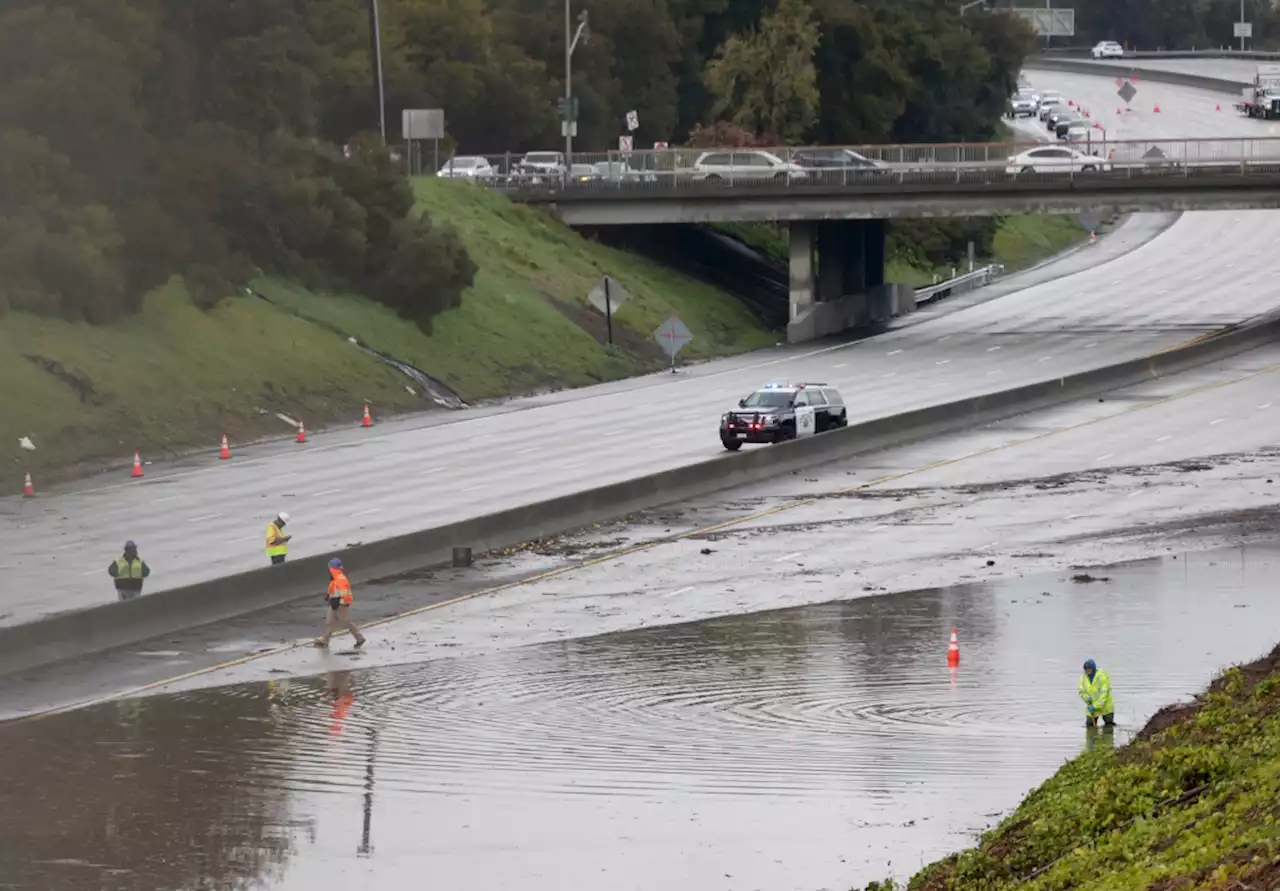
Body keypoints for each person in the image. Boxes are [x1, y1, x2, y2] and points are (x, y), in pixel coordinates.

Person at [318, 558, 366, 649]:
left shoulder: (340, 579)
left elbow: (345, 593)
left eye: (330, 567)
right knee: (330, 621)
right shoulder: (336, 578)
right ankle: (324, 640)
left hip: (340, 605)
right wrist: (328, 596)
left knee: (346, 622)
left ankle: (359, 638)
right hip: (334, 603)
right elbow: (333, 589)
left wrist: (341, 603)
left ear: (333, 568)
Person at [1079, 658, 1115, 728]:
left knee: (1109, 727)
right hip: (1091, 706)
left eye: (1089, 669)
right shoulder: (1083, 678)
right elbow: (1081, 692)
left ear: (1094, 669)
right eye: (1086, 669)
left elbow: (1103, 696)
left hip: (1105, 707)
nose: (1088, 671)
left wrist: (1094, 706)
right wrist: (1086, 698)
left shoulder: (1102, 677)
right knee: (1089, 726)